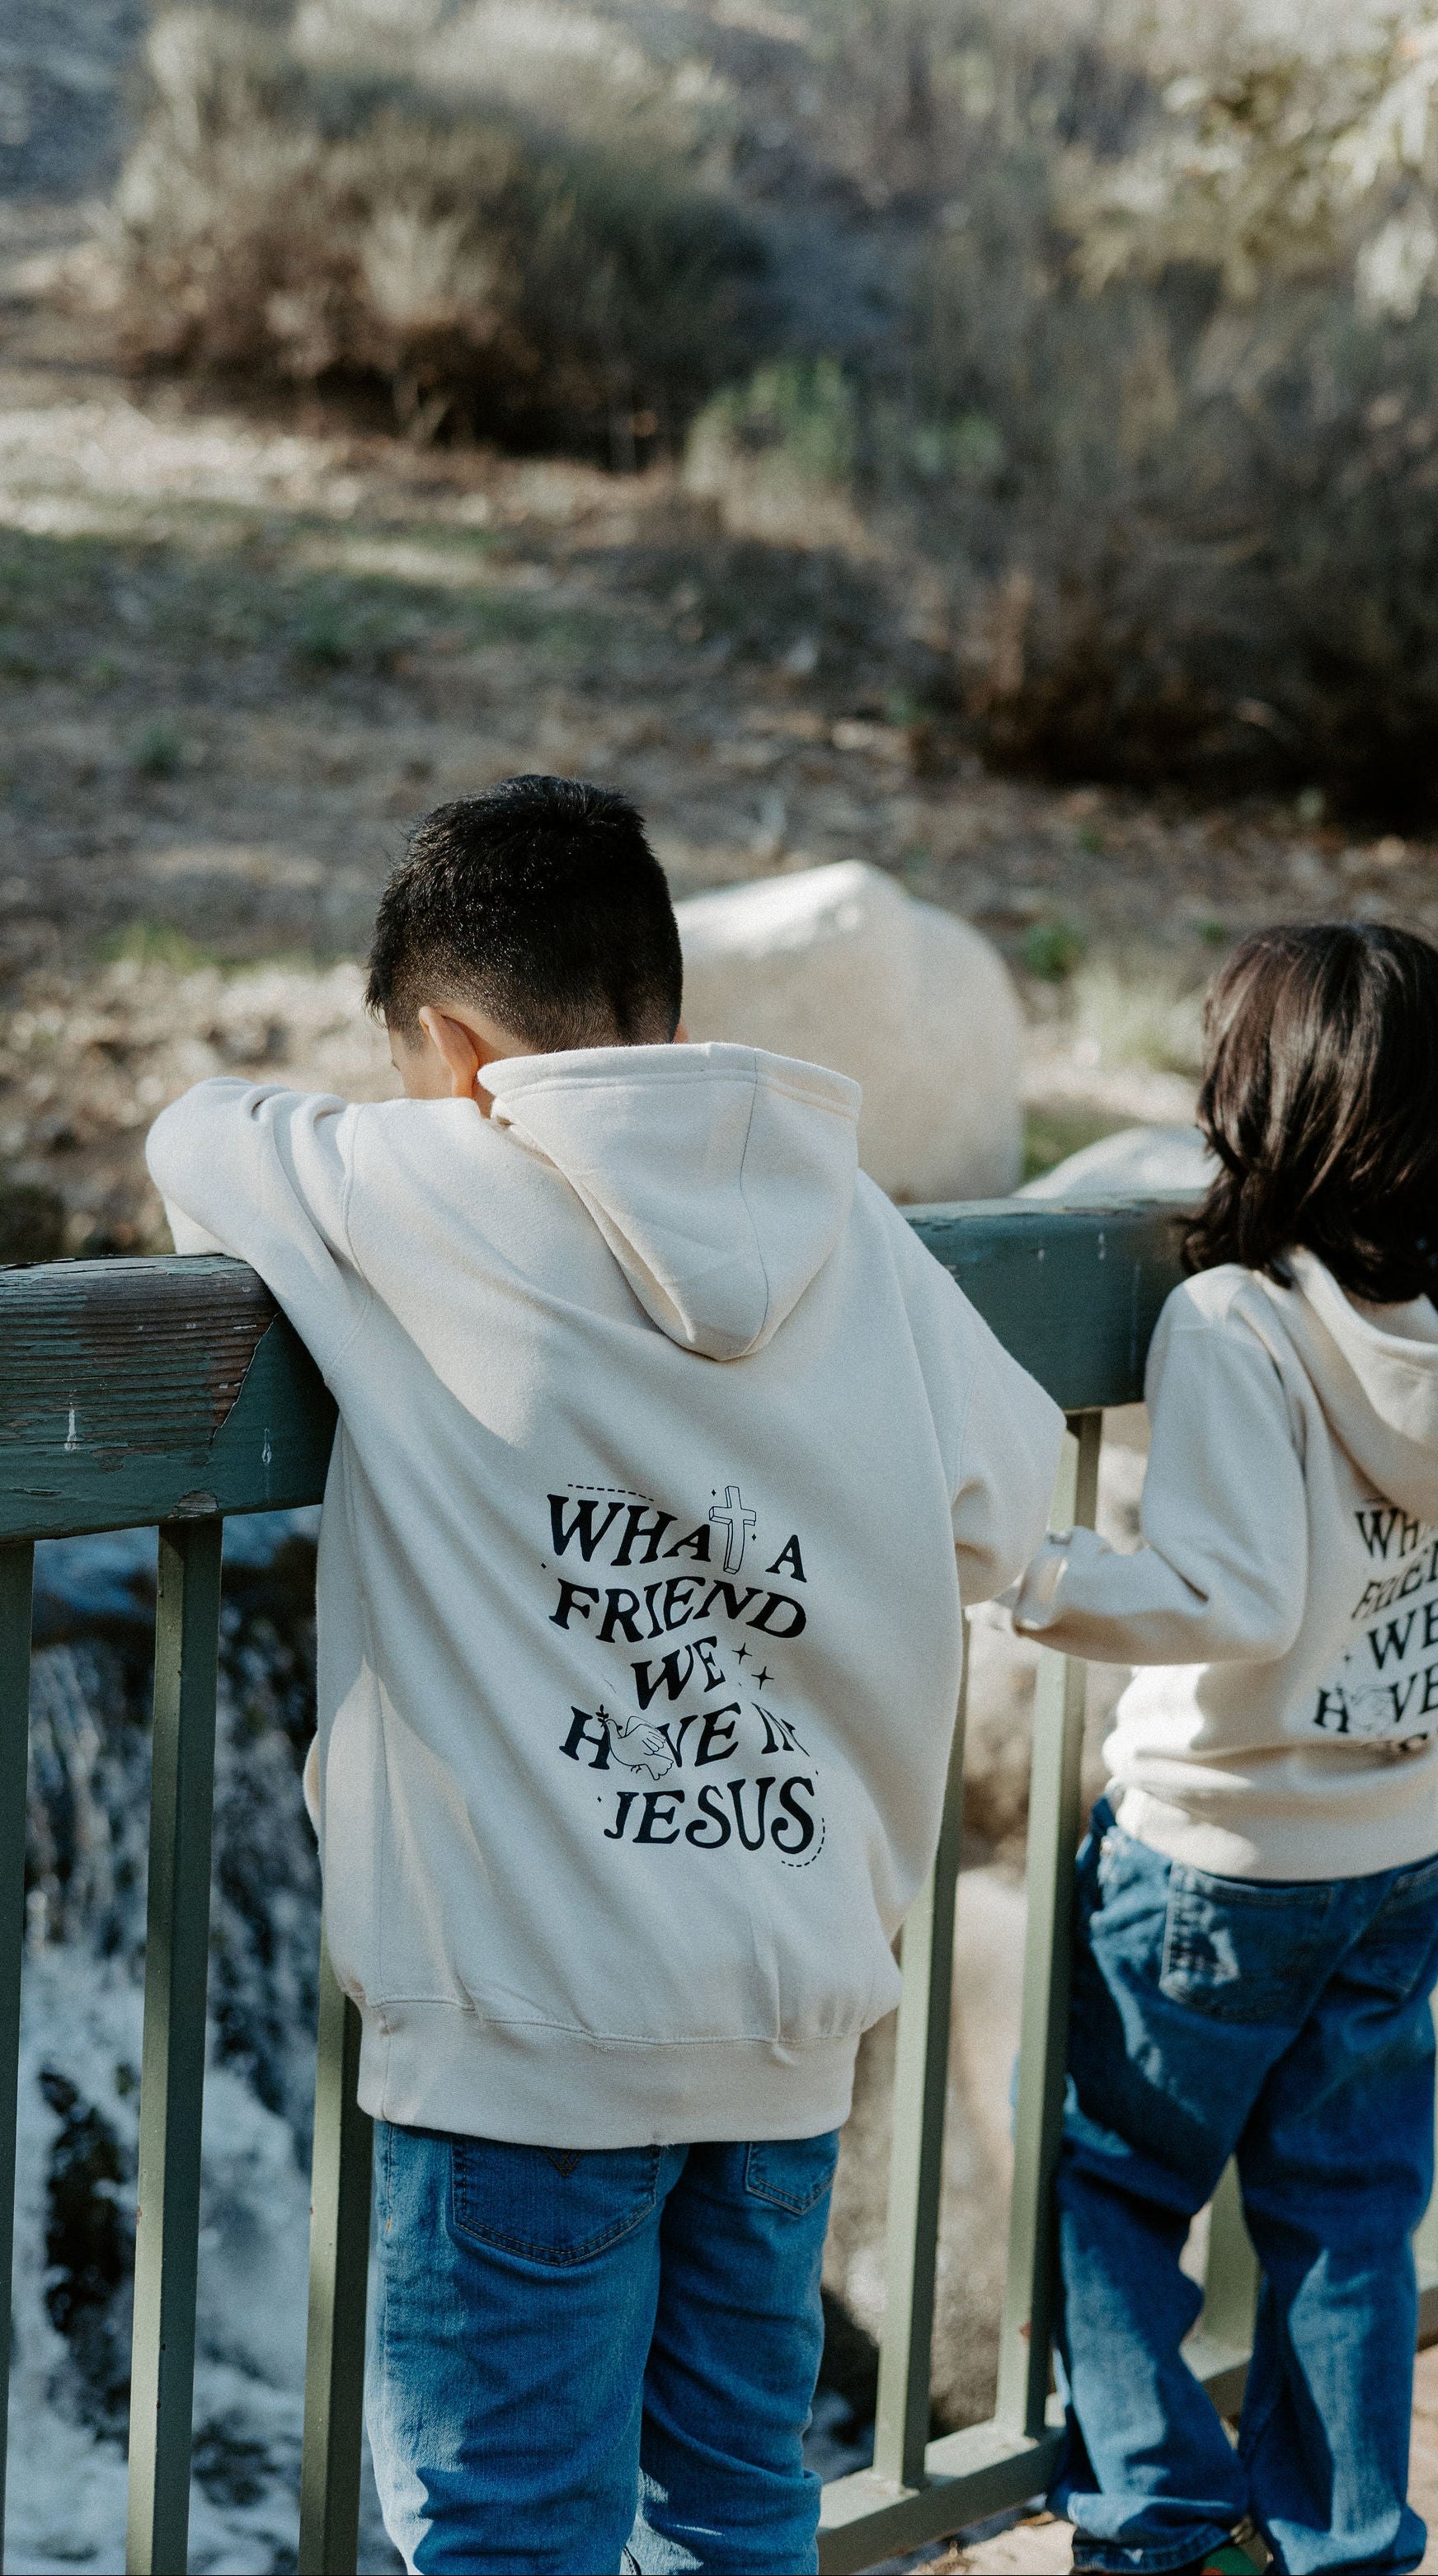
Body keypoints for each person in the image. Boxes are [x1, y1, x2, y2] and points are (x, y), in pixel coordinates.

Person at [147, 774, 1064, 2576]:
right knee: (735, 2507)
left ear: (456, 1048)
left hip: (525, 2056)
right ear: (665, 1008)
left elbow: (197, 1137)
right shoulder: (851, 1223)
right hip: (782, 2031)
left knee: (513, 2529)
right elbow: (1010, 1505)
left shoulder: (420, 1187)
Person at [1008, 922, 1438, 2576]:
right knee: (1345, 2220)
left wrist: (1027, 1573)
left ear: (1263, 1108)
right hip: (1399, 1847)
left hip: (1214, 1858)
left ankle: (1165, 2528)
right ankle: (1344, 2541)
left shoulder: (1234, 1325)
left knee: (1116, 2194)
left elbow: (1227, 1596)